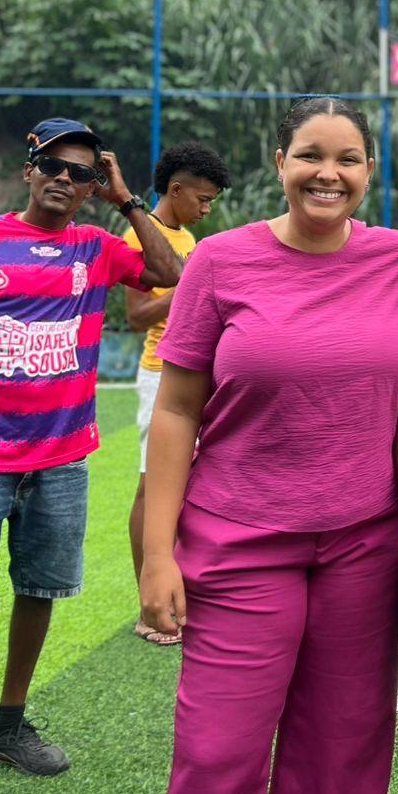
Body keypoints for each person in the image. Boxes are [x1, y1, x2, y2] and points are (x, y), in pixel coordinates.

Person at [134, 97, 398, 794]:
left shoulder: (396, 259)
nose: (328, 173)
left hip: (363, 551)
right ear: (278, 161)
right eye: (309, 156)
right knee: (215, 764)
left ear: (370, 170)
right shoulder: (220, 260)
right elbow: (176, 410)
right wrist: (155, 552)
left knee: (340, 766)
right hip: (238, 546)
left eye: (348, 159)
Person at [0, 118, 182, 777]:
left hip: (60, 459)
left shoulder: (95, 245)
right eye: (54, 166)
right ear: (28, 169)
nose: (65, 179)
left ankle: (7, 726)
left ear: (93, 188)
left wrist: (127, 202)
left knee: (39, 590)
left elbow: (169, 272)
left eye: (82, 173)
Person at [124, 141, 232, 644]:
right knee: (152, 487)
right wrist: (189, 294)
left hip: (191, 375)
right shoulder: (140, 234)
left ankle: (179, 584)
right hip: (157, 373)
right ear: (175, 189)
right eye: (202, 199)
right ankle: (147, 601)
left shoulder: (186, 238)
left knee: (188, 485)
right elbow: (136, 315)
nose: (206, 209)